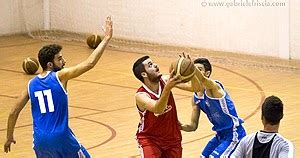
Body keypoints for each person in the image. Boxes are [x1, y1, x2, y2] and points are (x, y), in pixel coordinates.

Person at [4, 16, 113, 157]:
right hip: (61, 138)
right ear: (50, 64)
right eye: (60, 59)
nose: (64, 61)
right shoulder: (60, 76)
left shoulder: (30, 84)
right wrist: (106, 39)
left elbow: (13, 112)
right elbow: (89, 64)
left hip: (40, 141)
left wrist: (9, 136)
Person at [179, 57, 246, 157]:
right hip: (220, 136)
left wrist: (190, 67)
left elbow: (202, 79)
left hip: (234, 134)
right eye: (194, 69)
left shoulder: (214, 88)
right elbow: (193, 126)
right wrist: (180, 126)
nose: (194, 72)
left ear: (207, 73)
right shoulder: (195, 98)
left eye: (199, 69)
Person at [133, 55, 198, 158]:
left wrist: (192, 70)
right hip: (150, 140)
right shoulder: (141, 96)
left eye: (153, 63)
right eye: (150, 65)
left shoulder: (166, 81)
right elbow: (158, 108)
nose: (155, 65)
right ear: (144, 74)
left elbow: (195, 88)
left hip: (173, 139)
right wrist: (167, 88)